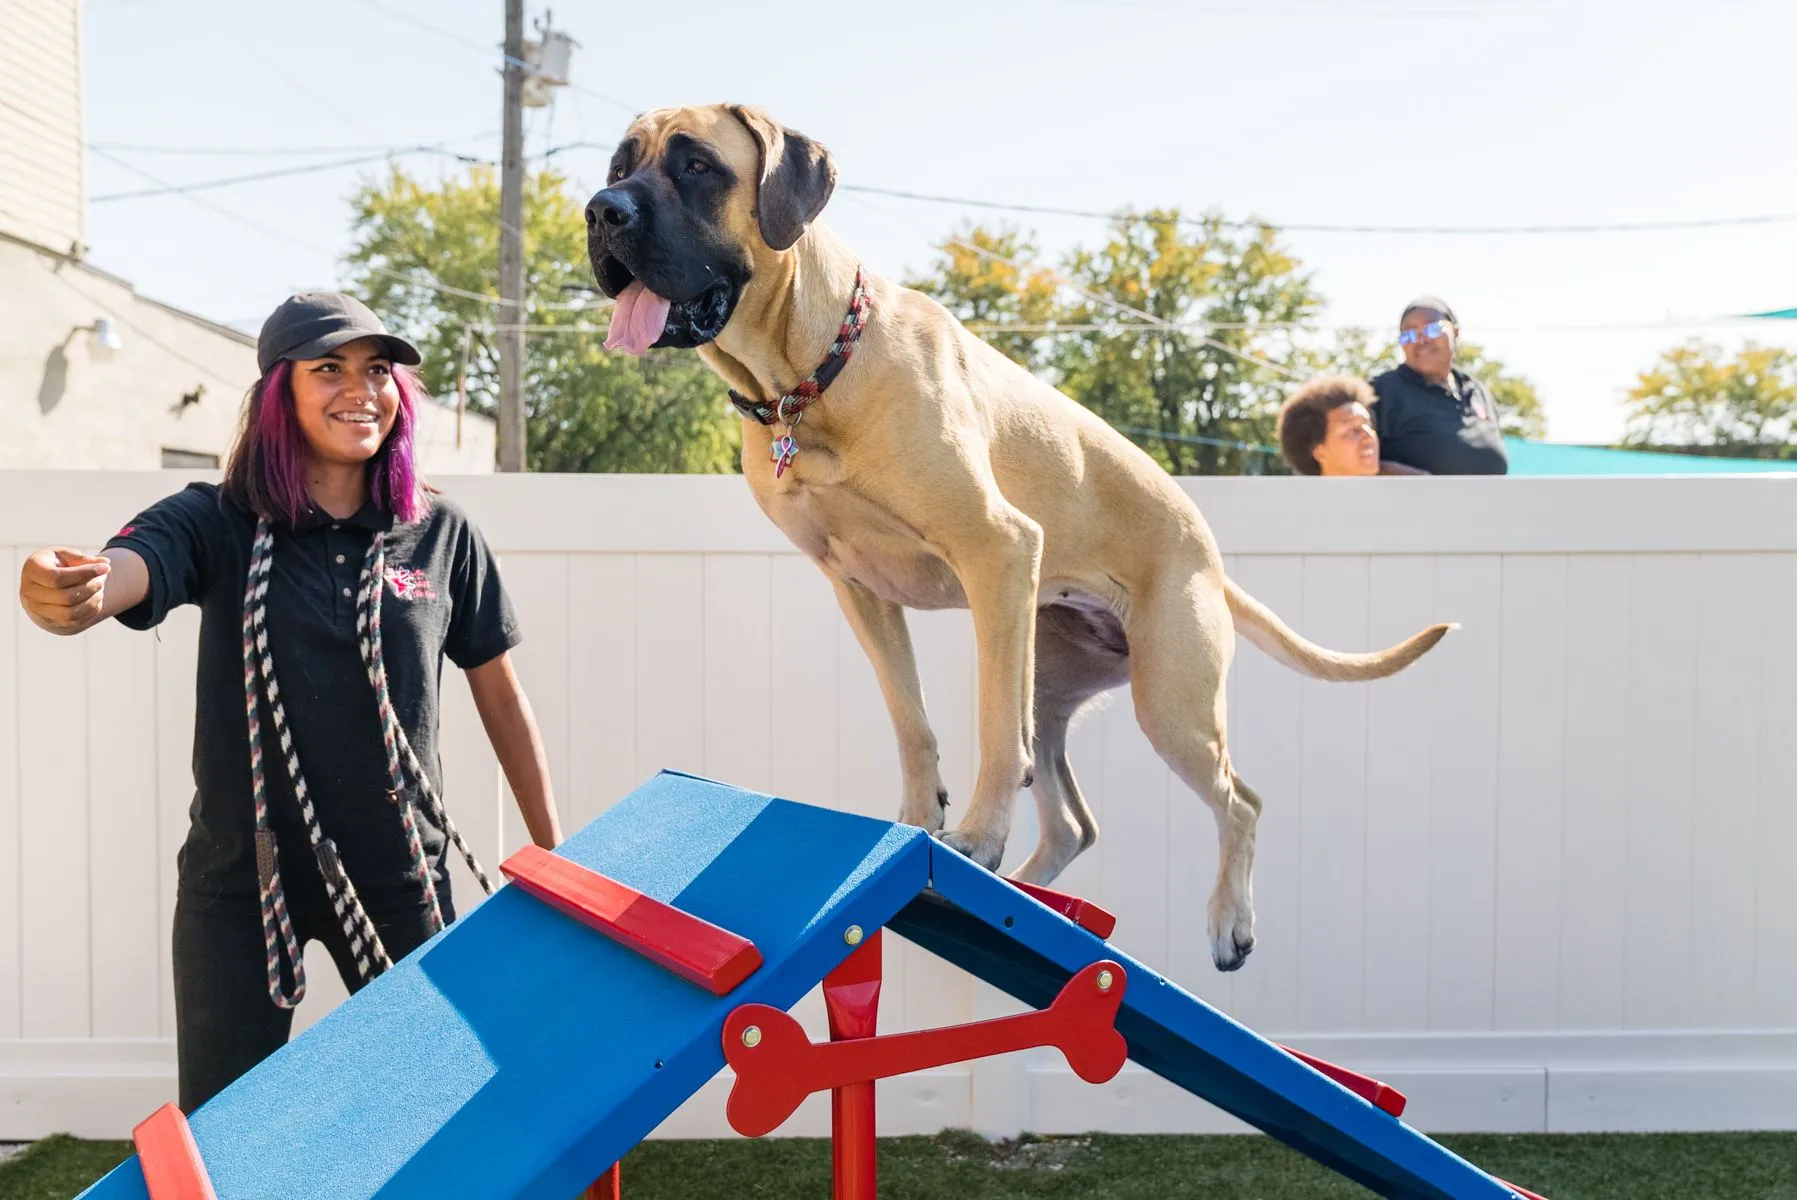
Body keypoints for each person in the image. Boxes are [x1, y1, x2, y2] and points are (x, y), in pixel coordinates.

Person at [16, 292, 562, 1112]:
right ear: (281, 390)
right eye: (329, 368)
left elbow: (504, 700)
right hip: (241, 879)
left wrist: (553, 858)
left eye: (376, 369)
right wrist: (79, 590)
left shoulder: (440, 532)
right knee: (225, 1129)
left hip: (400, 874)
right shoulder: (218, 522)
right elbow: (131, 564)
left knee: (433, 1115)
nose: (361, 388)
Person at [1368, 296, 1508, 475]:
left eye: (1432, 329)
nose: (1421, 340)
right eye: (1408, 335)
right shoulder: (1381, 392)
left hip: (1490, 502)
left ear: (1455, 333)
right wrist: (1414, 479)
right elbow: (1349, 462)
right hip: (1414, 503)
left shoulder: (1477, 392)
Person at [1277, 374, 1421, 476]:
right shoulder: (1303, 513)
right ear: (1319, 452)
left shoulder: (1409, 494)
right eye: (1353, 430)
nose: (1368, 435)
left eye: (1368, 425)